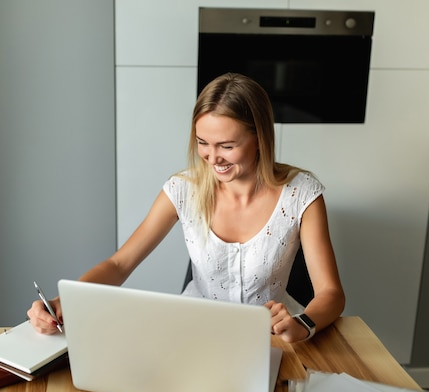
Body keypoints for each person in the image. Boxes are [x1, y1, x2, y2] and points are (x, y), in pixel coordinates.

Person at [28, 73, 345, 342]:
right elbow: (120, 264)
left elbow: (331, 293)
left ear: (260, 138)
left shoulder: (302, 194)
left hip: (271, 337)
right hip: (195, 334)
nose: (212, 157)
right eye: (203, 142)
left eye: (227, 146)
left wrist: (303, 324)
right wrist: (65, 301)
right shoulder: (183, 190)